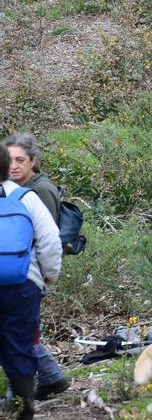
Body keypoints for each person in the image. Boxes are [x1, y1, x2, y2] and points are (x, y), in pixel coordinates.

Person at [3, 134, 69, 401]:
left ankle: (19, 395)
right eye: (9, 160)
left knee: (18, 334)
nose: (14, 166)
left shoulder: (39, 191)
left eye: (20, 160)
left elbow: (47, 237)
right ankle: (50, 377)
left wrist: (47, 274)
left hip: (29, 275)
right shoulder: (9, 190)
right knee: (20, 333)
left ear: (33, 162)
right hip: (16, 272)